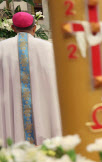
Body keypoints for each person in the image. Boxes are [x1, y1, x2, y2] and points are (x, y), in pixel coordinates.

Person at [0, 12, 61, 147]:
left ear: (12, 28)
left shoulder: (2, 49)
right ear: (34, 28)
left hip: (11, 106)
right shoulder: (49, 48)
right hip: (43, 106)